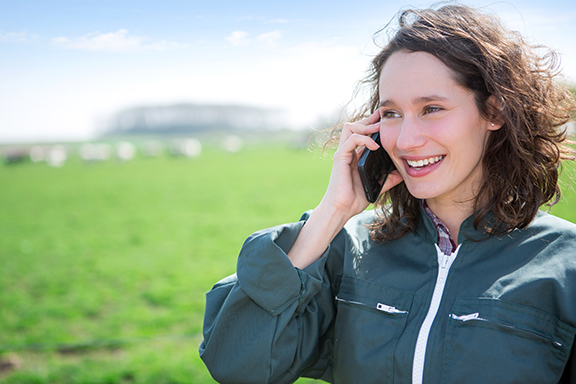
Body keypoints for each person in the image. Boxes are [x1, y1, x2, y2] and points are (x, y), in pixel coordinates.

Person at [199, 4, 576, 383]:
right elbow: (237, 366)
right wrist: (332, 212)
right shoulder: (349, 250)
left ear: (494, 111)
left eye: (431, 108)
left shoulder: (565, 266)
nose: (406, 141)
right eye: (392, 114)